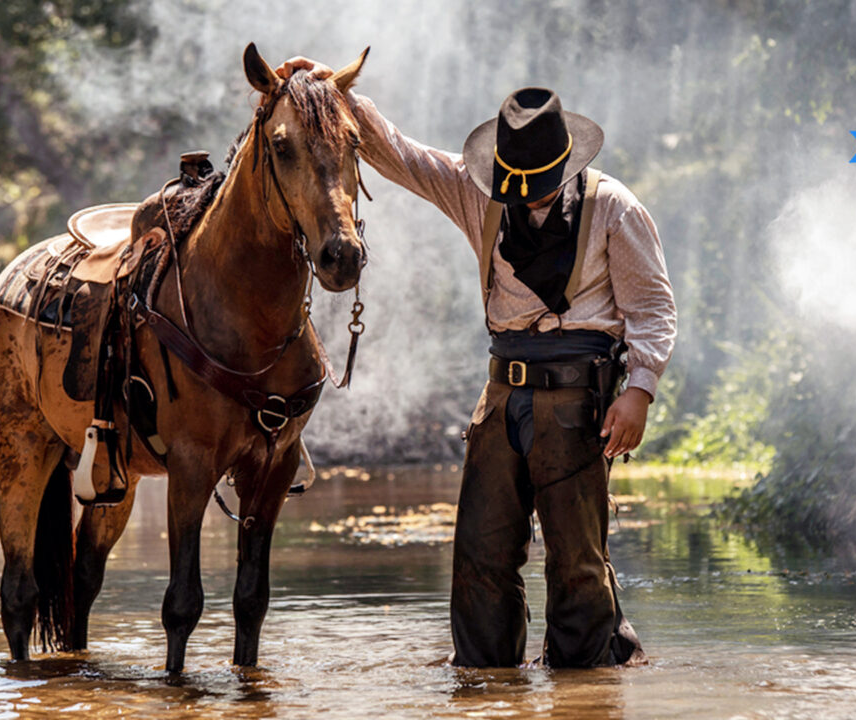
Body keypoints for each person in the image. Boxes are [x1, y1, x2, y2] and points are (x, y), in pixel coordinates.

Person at [281, 58, 677, 668]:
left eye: (537, 180)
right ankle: (486, 688)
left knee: (577, 563)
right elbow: (400, 155)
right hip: (500, 399)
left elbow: (652, 307)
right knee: (480, 557)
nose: (522, 192)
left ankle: (586, 692)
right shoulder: (479, 189)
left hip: (580, 399)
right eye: (514, 179)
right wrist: (333, 93)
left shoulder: (614, 209)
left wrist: (640, 391)